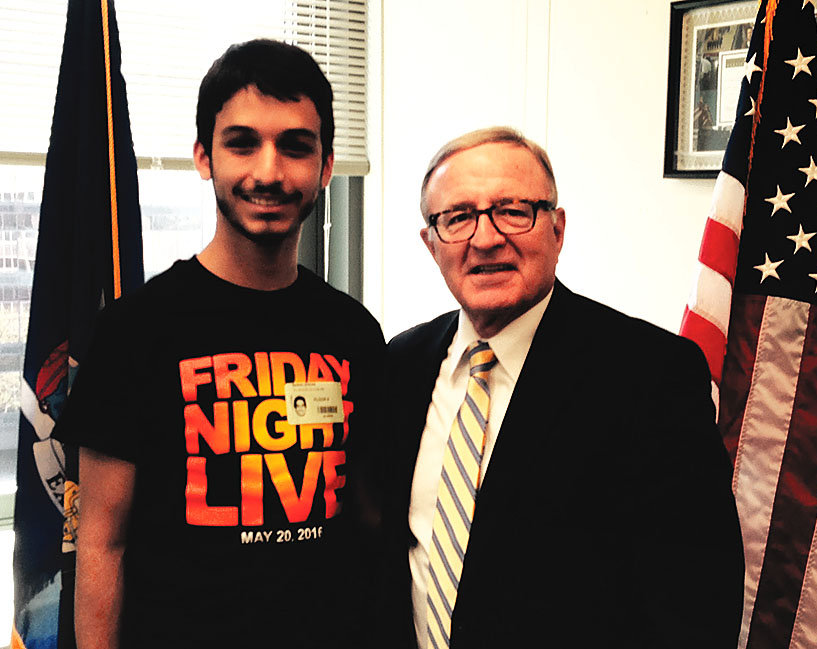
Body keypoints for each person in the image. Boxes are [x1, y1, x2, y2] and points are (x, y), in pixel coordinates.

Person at [52, 39, 384, 649]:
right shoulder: (136, 330)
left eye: (295, 146)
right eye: (242, 143)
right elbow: (102, 541)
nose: (268, 171)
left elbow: (368, 525)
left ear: (327, 166)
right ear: (204, 157)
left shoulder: (353, 332)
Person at [383, 127, 744, 648]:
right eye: (458, 217)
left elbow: (695, 604)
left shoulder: (651, 376)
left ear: (557, 229)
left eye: (513, 210)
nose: (485, 238)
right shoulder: (402, 364)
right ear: (431, 243)